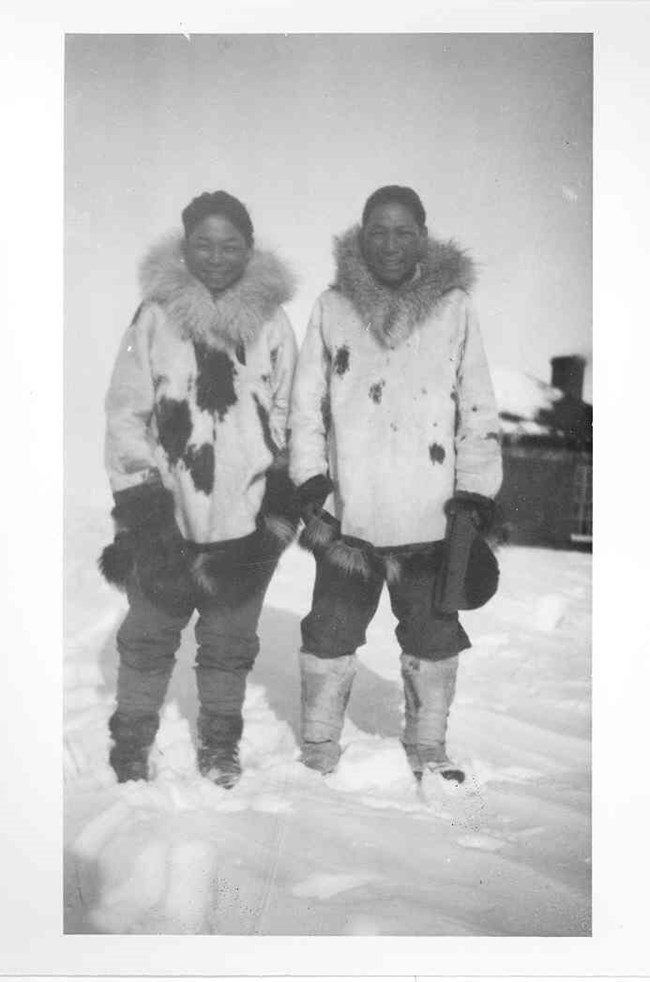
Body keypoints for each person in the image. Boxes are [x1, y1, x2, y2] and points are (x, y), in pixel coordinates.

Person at [289, 185, 502, 783]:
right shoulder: (332, 308)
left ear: (423, 238)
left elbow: (479, 409)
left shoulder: (454, 307)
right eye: (377, 231)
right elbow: (305, 408)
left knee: (433, 634)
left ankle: (429, 746)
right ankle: (319, 746)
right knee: (330, 629)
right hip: (348, 518)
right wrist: (311, 484)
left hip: (431, 518)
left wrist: (475, 494)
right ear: (360, 237)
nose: (389, 243)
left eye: (403, 231)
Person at [99, 190, 298, 788]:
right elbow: (126, 409)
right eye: (204, 244)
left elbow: (289, 410)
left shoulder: (272, 322)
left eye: (230, 244)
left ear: (250, 248)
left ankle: (219, 744)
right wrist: (141, 496)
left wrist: (281, 495)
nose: (216, 256)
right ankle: (132, 740)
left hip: (245, 513)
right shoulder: (155, 314)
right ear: (185, 247)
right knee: (149, 633)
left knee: (230, 641)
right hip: (167, 512)